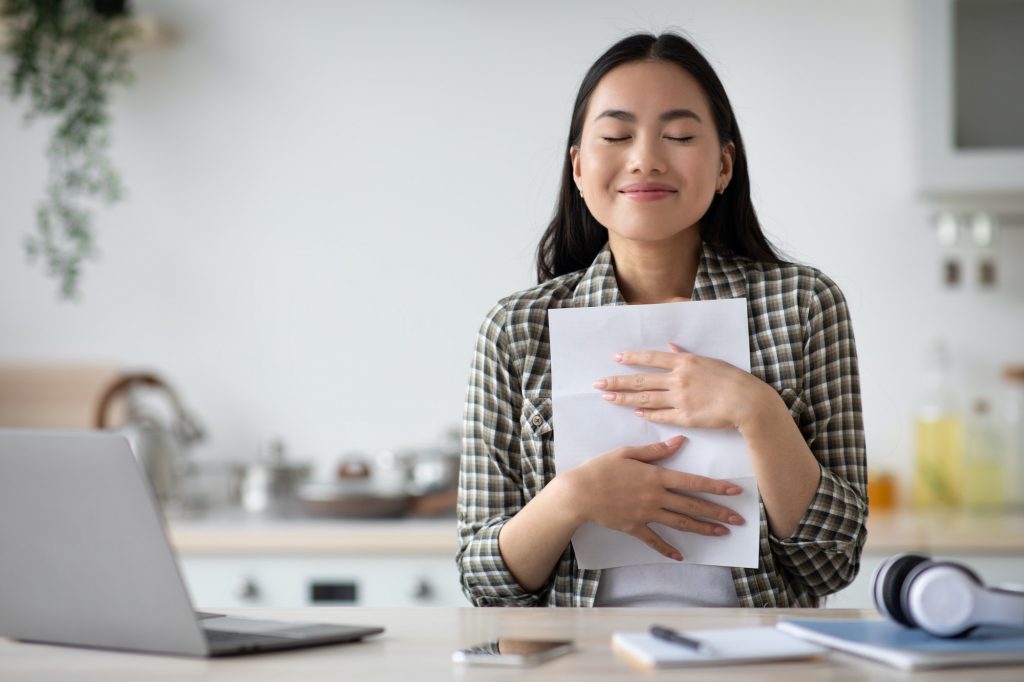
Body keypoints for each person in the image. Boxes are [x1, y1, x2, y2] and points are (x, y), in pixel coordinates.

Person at [457, 32, 866, 608]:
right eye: (617, 135)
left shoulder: (804, 304)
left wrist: (758, 410)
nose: (646, 157)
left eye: (678, 135)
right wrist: (572, 498)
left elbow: (833, 564)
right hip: (579, 665)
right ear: (578, 167)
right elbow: (483, 583)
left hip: (755, 663)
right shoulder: (517, 327)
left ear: (723, 164)